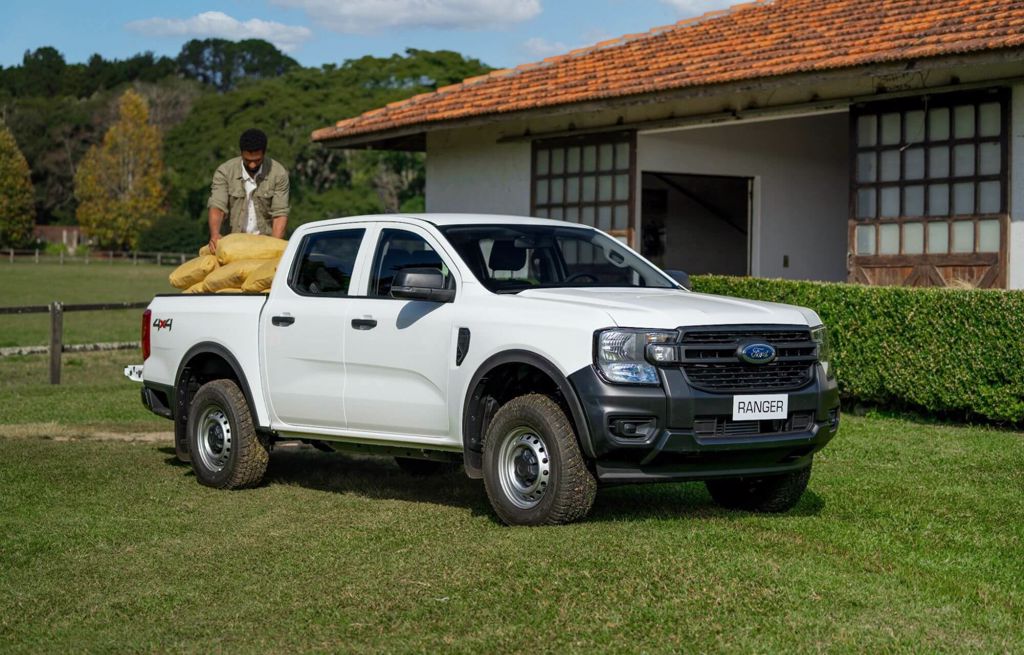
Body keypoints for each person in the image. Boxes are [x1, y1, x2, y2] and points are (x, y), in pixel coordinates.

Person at [206, 128, 290, 254]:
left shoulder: (279, 174)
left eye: (257, 160)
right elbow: (218, 207)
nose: (252, 165)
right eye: (247, 160)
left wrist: (274, 248)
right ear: (241, 153)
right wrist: (215, 234)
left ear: (264, 153)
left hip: (265, 244)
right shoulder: (224, 172)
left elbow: (280, 215)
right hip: (232, 244)